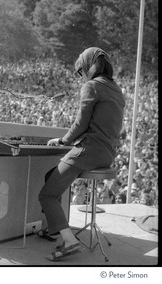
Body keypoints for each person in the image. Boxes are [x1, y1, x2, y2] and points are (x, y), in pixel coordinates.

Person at [38, 47, 125, 261]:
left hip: (90, 151)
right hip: (107, 153)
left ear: (88, 66)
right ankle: (53, 229)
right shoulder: (116, 89)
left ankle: (70, 242)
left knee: (46, 195)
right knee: (51, 177)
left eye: (80, 72)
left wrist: (63, 140)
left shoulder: (92, 86)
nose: (80, 77)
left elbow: (80, 124)